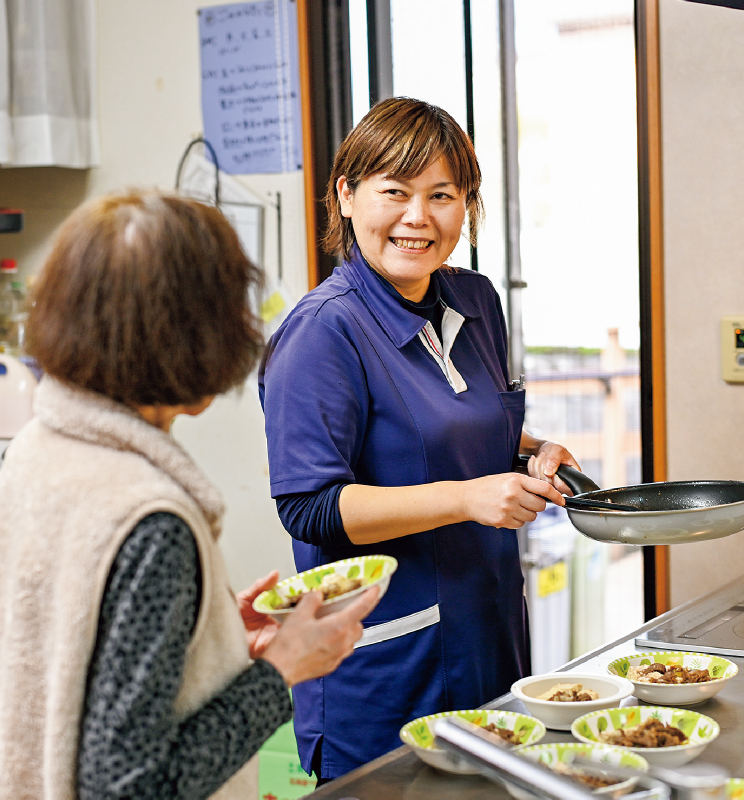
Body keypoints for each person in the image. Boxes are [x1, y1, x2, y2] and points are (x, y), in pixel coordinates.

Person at [0, 190, 381, 800]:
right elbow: (131, 786)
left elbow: (88, 659)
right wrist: (281, 669)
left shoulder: (37, 449)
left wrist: (210, 637)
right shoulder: (150, 520)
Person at [259, 98, 580, 780]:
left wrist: (531, 451)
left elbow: (459, 421)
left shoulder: (475, 300)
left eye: (442, 195)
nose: (418, 217)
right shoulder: (323, 331)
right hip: (386, 666)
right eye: (395, 192)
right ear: (346, 196)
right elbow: (310, 507)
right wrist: (468, 497)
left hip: (489, 641)